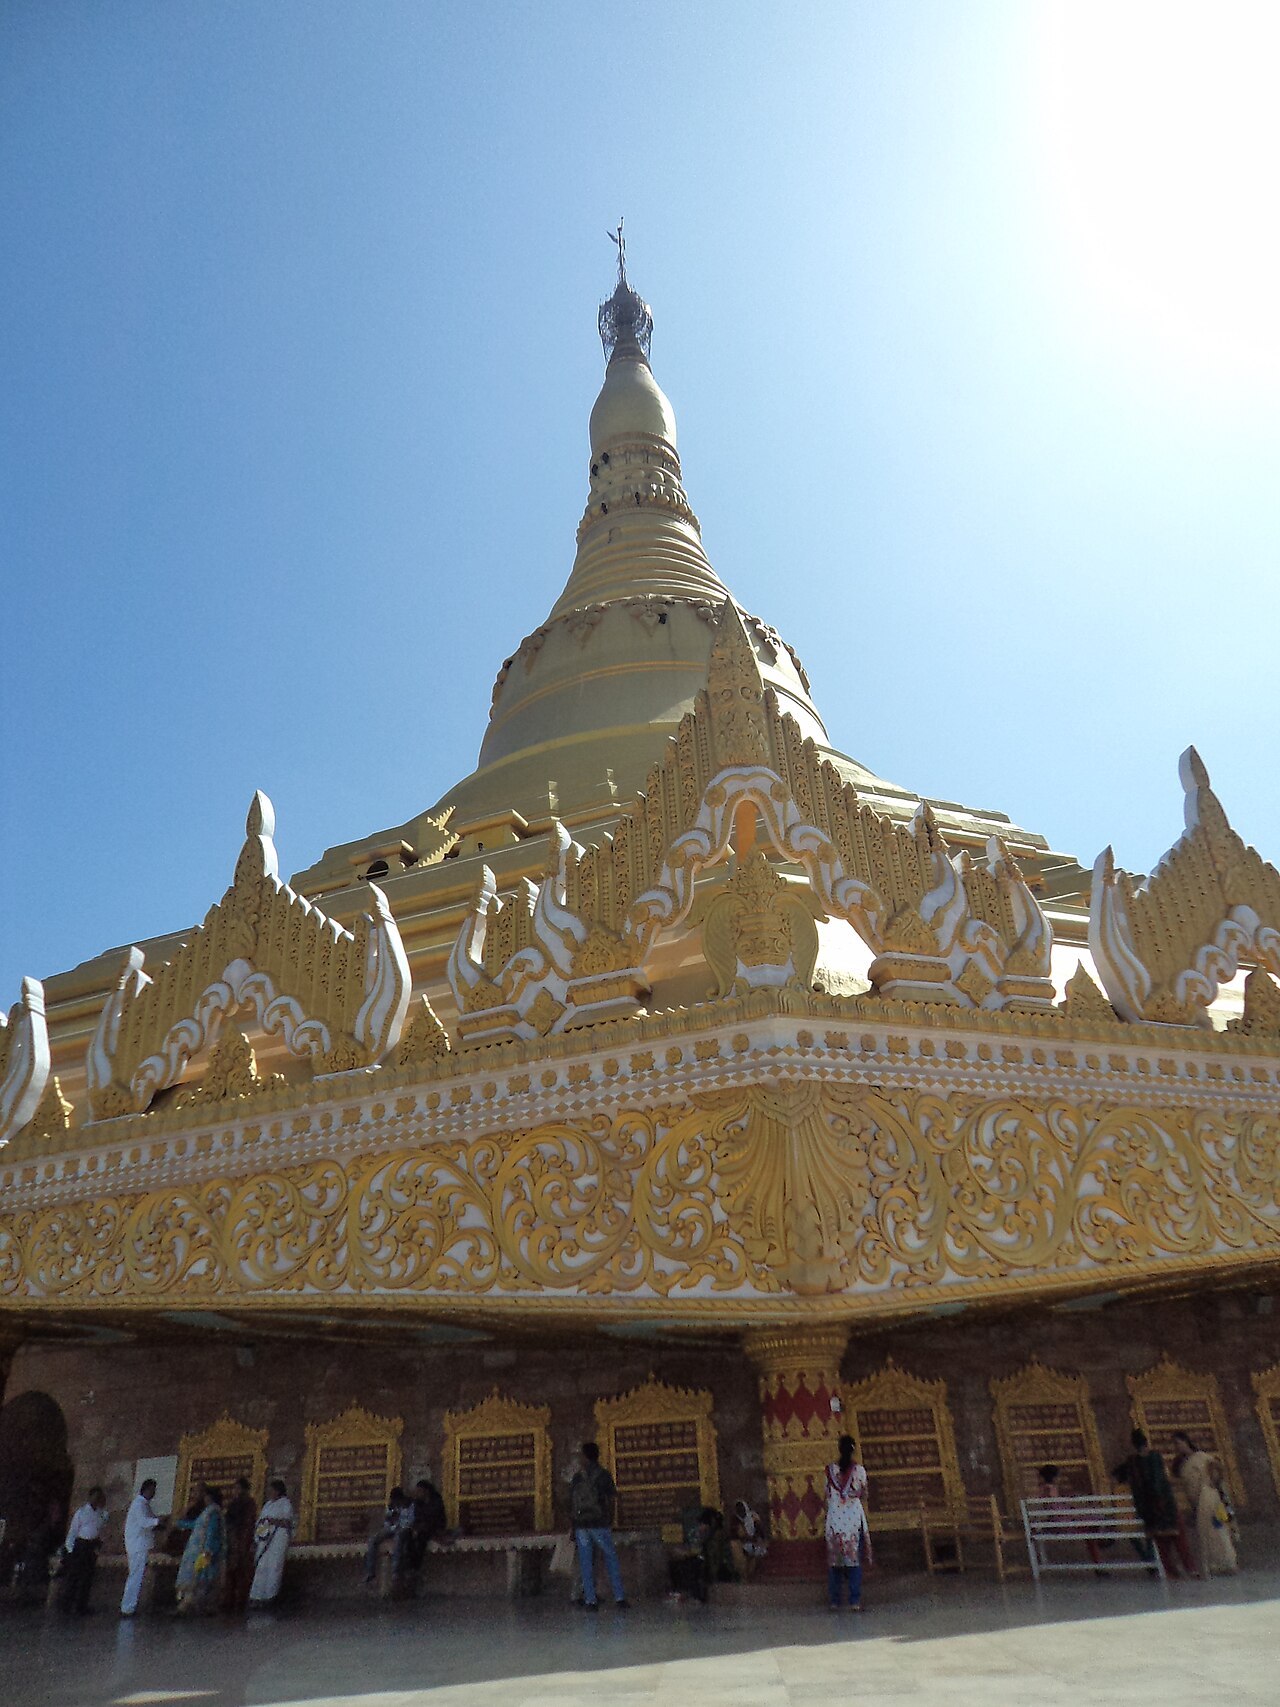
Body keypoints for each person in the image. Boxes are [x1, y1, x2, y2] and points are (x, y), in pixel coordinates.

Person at [1115, 1429, 1194, 1578]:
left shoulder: (1132, 1461)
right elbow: (1158, 1480)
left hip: (1148, 1509)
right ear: (1146, 1443)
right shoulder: (1155, 1457)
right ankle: (1190, 1569)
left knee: (1161, 1544)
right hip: (1164, 1505)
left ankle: (1171, 1571)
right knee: (1179, 1540)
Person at [1171, 1431, 1238, 1576]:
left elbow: (1217, 1468)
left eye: (1178, 1443)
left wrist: (1213, 1483)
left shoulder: (1201, 1457)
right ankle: (1213, 1565)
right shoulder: (1181, 1463)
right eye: (1175, 1445)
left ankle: (1228, 1563)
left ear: (1185, 1441)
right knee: (1204, 1534)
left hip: (1210, 1500)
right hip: (1197, 1503)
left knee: (1219, 1531)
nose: (1177, 1447)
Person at [569, 1442, 627, 1610]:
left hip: (581, 1525)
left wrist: (573, 1526)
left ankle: (590, 1600)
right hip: (599, 1523)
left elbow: (571, 1503)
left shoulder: (578, 1477)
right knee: (610, 1558)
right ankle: (619, 1597)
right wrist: (610, 1520)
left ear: (585, 1457)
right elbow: (611, 1500)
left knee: (585, 1562)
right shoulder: (604, 1475)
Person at [824, 1434, 871, 1610]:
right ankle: (855, 1601)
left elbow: (826, 1495)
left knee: (835, 1563)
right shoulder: (859, 1471)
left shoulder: (829, 1471)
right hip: (852, 1522)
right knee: (853, 1562)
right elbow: (865, 1494)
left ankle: (835, 1601)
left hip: (835, 1521)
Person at [175, 1485, 225, 1613]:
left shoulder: (213, 1512)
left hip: (204, 1550)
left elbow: (212, 1531)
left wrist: (207, 1549)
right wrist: (179, 1523)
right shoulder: (207, 1511)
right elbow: (197, 1525)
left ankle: (194, 1605)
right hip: (196, 1549)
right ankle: (189, 1604)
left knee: (201, 1577)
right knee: (194, 1576)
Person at [60, 1485, 108, 1614]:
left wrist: (99, 1545)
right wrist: (70, 1549)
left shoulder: (101, 1514)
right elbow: (73, 1531)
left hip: (92, 1546)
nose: (96, 1499)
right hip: (80, 1545)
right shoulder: (81, 1512)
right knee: (74, 1576)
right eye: (95, 1496)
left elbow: (101, 1530)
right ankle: (67, 1605)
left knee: (88, 1577)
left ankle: (81, 1605)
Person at [249, 1479, 294, 1607]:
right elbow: (261, 1522)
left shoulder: (285, 1503)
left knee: (274, 1568)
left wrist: (272, 1521)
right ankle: (257, 1597)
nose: (269, 1492)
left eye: (272, 1490)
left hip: (277, 1540)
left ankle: (270, 1597)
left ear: (278, 1490)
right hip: (265, 1540)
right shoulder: (268, 1504)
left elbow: (287, 1523)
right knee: (262, 1567)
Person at [120, 1478, 161, 1617]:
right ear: (147, 1490)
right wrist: (158, 1521)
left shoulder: (144, 1505)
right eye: (153, 1490)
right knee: (135, 1577)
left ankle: (130, 1606)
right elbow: (144, 1522)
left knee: (136, 1576)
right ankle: (128, 1607)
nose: (154, 1493)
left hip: (140, 1545)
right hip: (137, 1545)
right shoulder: (138, 1505)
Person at [223, 1476, 259, 1613]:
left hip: (242, 1541)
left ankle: (239, 1601)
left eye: (237, 1488)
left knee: (241, 1573)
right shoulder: (234, 1503)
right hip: (232, 1540)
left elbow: (248, 1523)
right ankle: (228, 1600)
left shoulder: (249, 1503)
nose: (235, 1491)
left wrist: (242, 1540)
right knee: (231, 1572)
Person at [364, 1486, 413, 1585]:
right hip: (392, 1528)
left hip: (405, 1529)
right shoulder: (391, 1506)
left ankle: (395, 1571)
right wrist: (391, 1523)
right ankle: (370, 1572)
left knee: (398, 1539)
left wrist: (400, 1524)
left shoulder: (409, 1505)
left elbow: (411, 1521)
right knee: (373, 1540)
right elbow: (387, 1521)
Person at [406, 1476, 447, 1573]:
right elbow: (417, 1517)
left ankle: (415, 1567)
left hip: (435, 1527)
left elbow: (436, 1517)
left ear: (426, 1491)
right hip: (422, 1527)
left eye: (419, 1491)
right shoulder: (417, 1503)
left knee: (421, 1538)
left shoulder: (436, 1501)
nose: (417, 1494)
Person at [729, 1499, 768, 1580]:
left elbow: (760, 1529)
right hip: (740, 1543)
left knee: (757, 1553)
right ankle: (744, 1577)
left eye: (742, 1509)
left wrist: (757, 1538)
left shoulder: (753, 1516)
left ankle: (752, 1575)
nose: (741, 1512)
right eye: (739, 1510)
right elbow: (734, 1533)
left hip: (753, 1541)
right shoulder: (735, 1519)